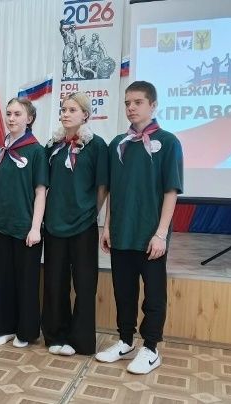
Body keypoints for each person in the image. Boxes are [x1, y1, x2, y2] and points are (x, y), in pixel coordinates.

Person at [96, 81, 183, 374]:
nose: (131, 108)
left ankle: (151, 348)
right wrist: (107, 226)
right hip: (122, 231)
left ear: (153, 105)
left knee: (154, 294)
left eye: (138, 102)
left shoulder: (168, 142)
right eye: (127, 103)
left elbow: (171, 191)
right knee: (124, 291)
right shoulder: (118, 144)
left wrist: (161, 234)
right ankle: (125, 341)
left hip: (150, 235)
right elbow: (113, 190)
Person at [42, 92, 108, 356]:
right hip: (54, 224)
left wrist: (91, 212)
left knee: (84, 283)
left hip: (83, 225)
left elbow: (102, 187)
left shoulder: (97, 145)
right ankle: (56, 334)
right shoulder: (53, 146)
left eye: (72, 110)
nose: (66, 114)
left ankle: (80, 340)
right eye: (63, 109)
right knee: (55, 282)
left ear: (85, 115)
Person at [0, 97, 48, 348]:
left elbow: (41, 192)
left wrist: (35, 228)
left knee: (26, 283)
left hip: (25, 230)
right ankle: (4, 327)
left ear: (29, 119)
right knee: (1, 280)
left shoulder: (36, 151)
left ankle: (25, 332)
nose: (11, 118)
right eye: (9, 113)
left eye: (17, 114)